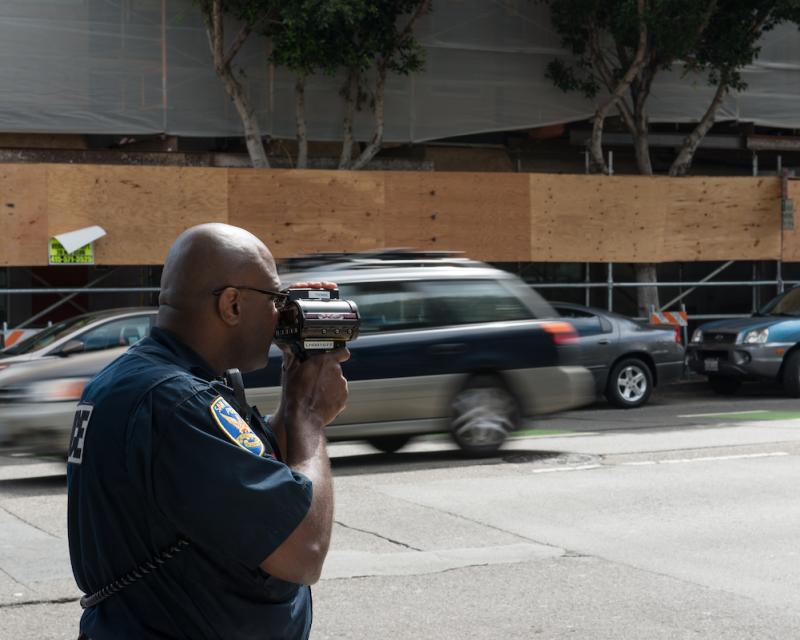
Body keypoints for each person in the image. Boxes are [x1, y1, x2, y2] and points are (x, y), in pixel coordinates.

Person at [67, 223, 349, 640]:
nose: (281, 313)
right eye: (276, 299)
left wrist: (297, 384)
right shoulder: (176, 402)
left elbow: (254, 474)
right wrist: (308, 417)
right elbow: (303, 553)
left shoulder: (146, 380)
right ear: (232, 305)